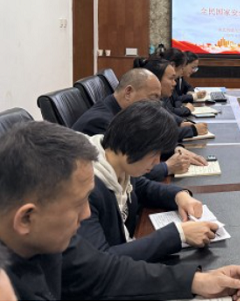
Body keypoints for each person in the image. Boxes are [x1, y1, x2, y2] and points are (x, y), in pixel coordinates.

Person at [0, 122, 240, 300]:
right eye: (78, 204)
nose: (86, 214)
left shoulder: (45, 236)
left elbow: (105, 272)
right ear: (26, 218)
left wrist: (197, 281)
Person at [78, 101, 218, 262]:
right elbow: (100, 262)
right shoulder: (84, 189)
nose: (157, 161)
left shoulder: (116, 160)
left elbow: (143, 187)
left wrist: (180, 196)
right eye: (154, 153)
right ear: (133, 144)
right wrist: (178, 235)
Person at [72, 68, 207, 181]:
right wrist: (167, 167)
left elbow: (141, 146)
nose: (157, 106)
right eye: (153, 98)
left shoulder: (124, 114)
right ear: (128, 92)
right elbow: (128, 172)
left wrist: (175, 149)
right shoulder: (101, 122)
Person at [134, 57, 208, 141]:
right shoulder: (143, 104)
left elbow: (168, 113)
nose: (174, 83)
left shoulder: (157, 100)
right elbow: (159, 135)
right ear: (155, 80)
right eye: (171, 79)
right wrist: (193, 130)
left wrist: (181, 123)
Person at [154, 48, 195, 117]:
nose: (182, 71)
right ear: (172, 65)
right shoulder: (161, 82)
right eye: (182, 68)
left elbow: (176, 100)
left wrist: (182, 121)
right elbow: (169, 112)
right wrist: (186, 109)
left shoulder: (174, 80)